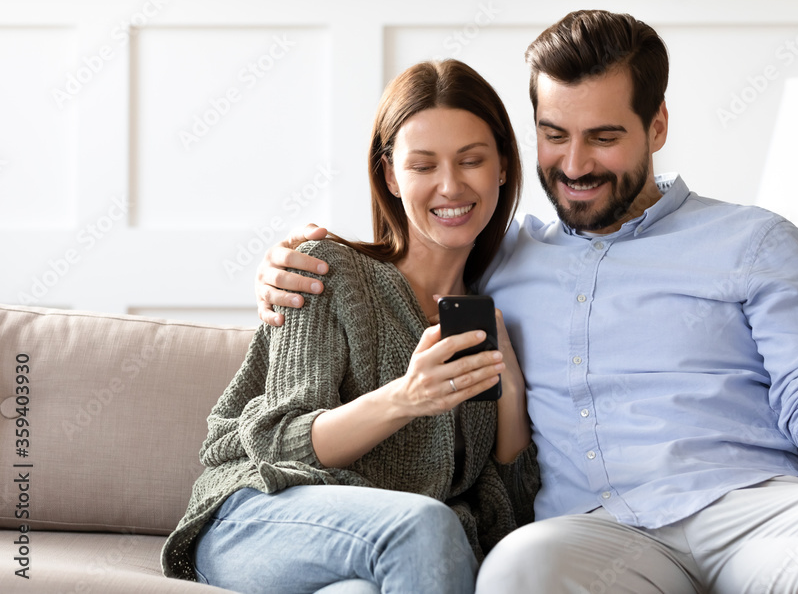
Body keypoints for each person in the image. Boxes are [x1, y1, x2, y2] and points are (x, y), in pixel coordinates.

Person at [253, 11, 798, 593]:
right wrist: (289, 261)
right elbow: (419, 235)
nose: (577, 163)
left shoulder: (753, 239)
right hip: (595, 534)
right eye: (555, 135)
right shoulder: (497, 259)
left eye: (605, 136)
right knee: (515, 569)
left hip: (752, 512)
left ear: (657, 126)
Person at [161, 59, 538, 594]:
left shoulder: (489, 316)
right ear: (390, 174)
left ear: (502, 165)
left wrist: (511, 388)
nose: (450, 186)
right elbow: (278, 445)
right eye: (424, 165)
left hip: (384, 552)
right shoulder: (324, 273)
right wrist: (406, 398)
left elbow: (512, 508)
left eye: (471, 160)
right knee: (423, 525)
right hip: (260, 514)